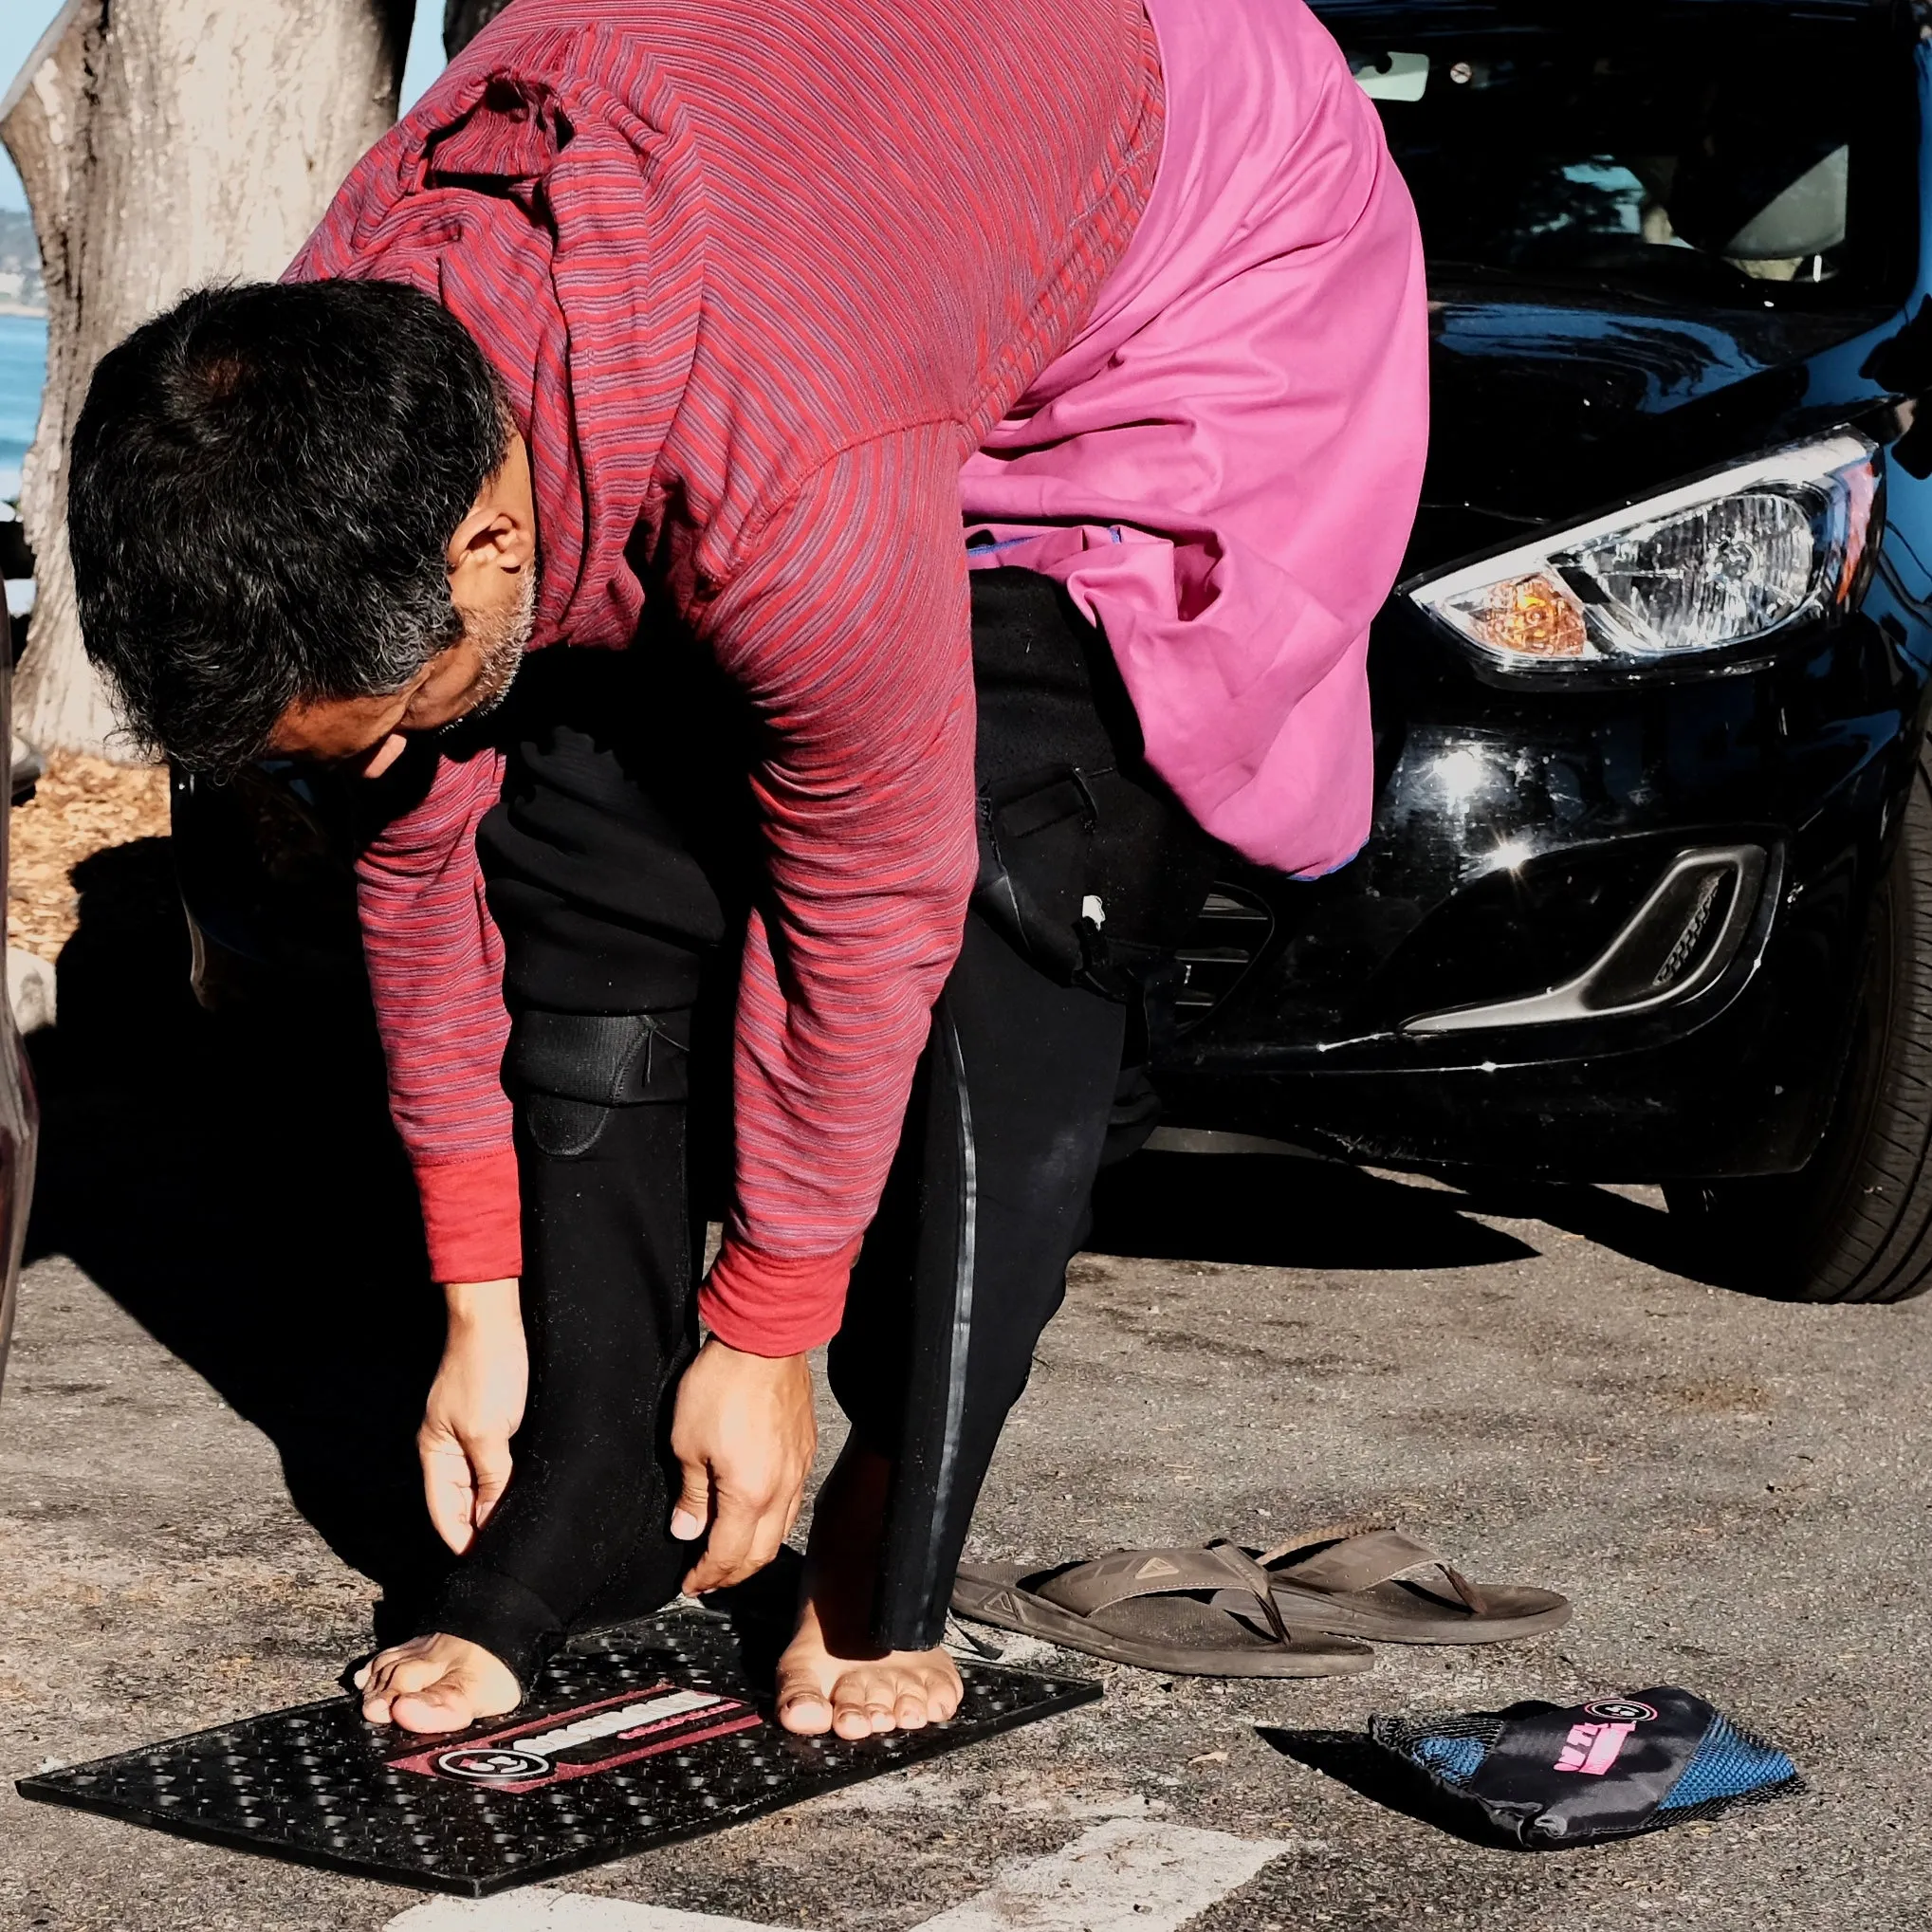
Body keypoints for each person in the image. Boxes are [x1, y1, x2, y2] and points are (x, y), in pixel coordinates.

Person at [65, 0, 1426, 1740]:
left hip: (1190, 218)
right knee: (567, 818)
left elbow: (869, 898)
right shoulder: (342, 351)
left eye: (381, 710)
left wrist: (770, 1332)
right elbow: (418, 865)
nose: (378, 760)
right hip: (818, 202)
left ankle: (885, 1523)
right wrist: (480, 1302)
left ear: (488, 539)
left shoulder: (787, 468)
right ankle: (592, 1485)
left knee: (1022, 855)